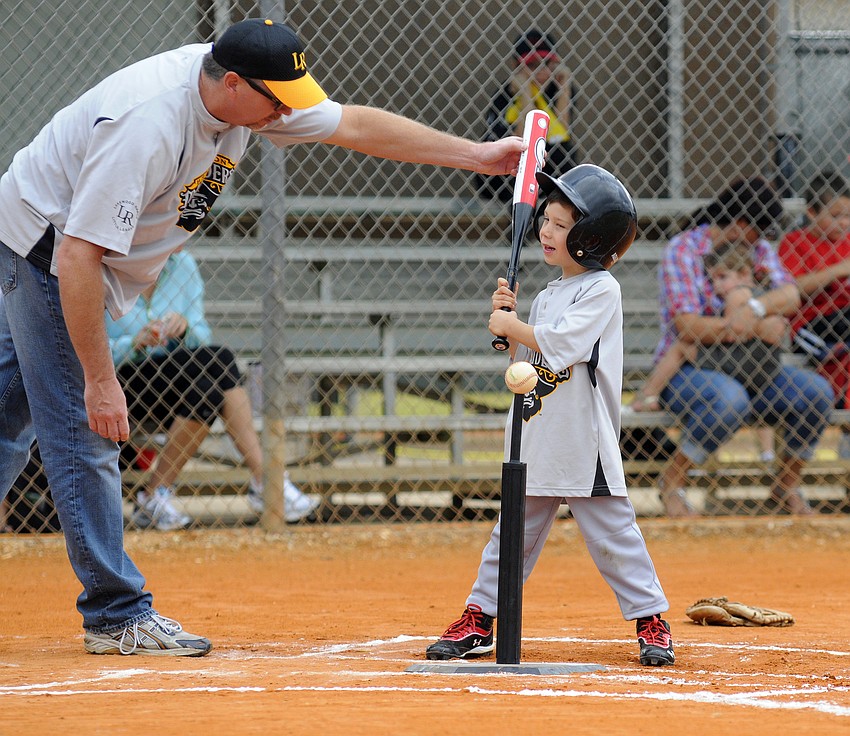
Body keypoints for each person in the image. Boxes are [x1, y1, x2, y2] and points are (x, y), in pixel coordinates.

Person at [0, 18, 524, 656]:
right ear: (229, 84)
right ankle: (116, 614)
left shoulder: (248, 101)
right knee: (82, 432)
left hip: (68, 255)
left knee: (6, 418)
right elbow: (76, 257)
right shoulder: (145, 125)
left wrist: (474, 153)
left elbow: (353, 124)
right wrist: (101, 379)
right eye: (274, 98)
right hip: (44, 252)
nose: (285, 113)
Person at [426, 165, 675, 668]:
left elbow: (563, 346)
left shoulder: (603, 289)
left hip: (585, 444)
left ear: (590, 238)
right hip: (536, 435)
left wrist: (515, 325)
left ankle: (651, 620)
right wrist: (510, 335)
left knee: (615, 538)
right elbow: (527, 369)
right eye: (548, 219)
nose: (546, 230)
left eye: (562, 225)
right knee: (510, 536)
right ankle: (479, 618)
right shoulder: (545, 295)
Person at [654, 176, 834, 517]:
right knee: (729, 398)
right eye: (759, 230)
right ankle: (672, 482)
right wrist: (748, 326)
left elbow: (790, 297)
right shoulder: (684, 249)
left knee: (815, 393)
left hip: (752, 367)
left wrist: (754, 310)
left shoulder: (759, 250)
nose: (762, 240)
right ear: (740, 225)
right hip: (690, 370)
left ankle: (786, 485)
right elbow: (687, 325)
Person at [106, 250, 319, 530]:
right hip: (118, 380)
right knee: (221, 361)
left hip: (174, 378)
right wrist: (134, 342)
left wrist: (184, 330)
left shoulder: (182, 264)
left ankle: (154, 497)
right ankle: (267, 482)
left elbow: (201, 336)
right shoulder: (106, 263)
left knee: (209, 387)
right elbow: (84, 344)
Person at [628, 237, 781, 461]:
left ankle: (646, 396)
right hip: (754, 364)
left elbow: (733, 329)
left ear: (744, 274)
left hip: (738, 360)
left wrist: (712, 328)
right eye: (713, 278)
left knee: (682, 347)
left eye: (722, 277)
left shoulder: (738, 293)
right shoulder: (764, 295)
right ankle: (767, 451)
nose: (716, 285)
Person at [777, 170, 850, 455]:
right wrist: (838, 271)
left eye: (847, 216)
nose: (843, 223)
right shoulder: (795, 242)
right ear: (811, 212)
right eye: (835, 215)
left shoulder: (847, 241)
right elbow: (793, 290)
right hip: (811, 325)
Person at [475, 29, 580, 202]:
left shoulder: (557, 89)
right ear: (516, 66)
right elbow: (522, 141)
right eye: (532, 65)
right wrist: (524, 94)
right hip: (507, 177)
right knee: (524, 149)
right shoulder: (505, 94)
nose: (541, 71)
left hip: (546, 170)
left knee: (564, 149)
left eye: (547, 63)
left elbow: (562, 134)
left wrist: (565, 86)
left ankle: (555, 194)